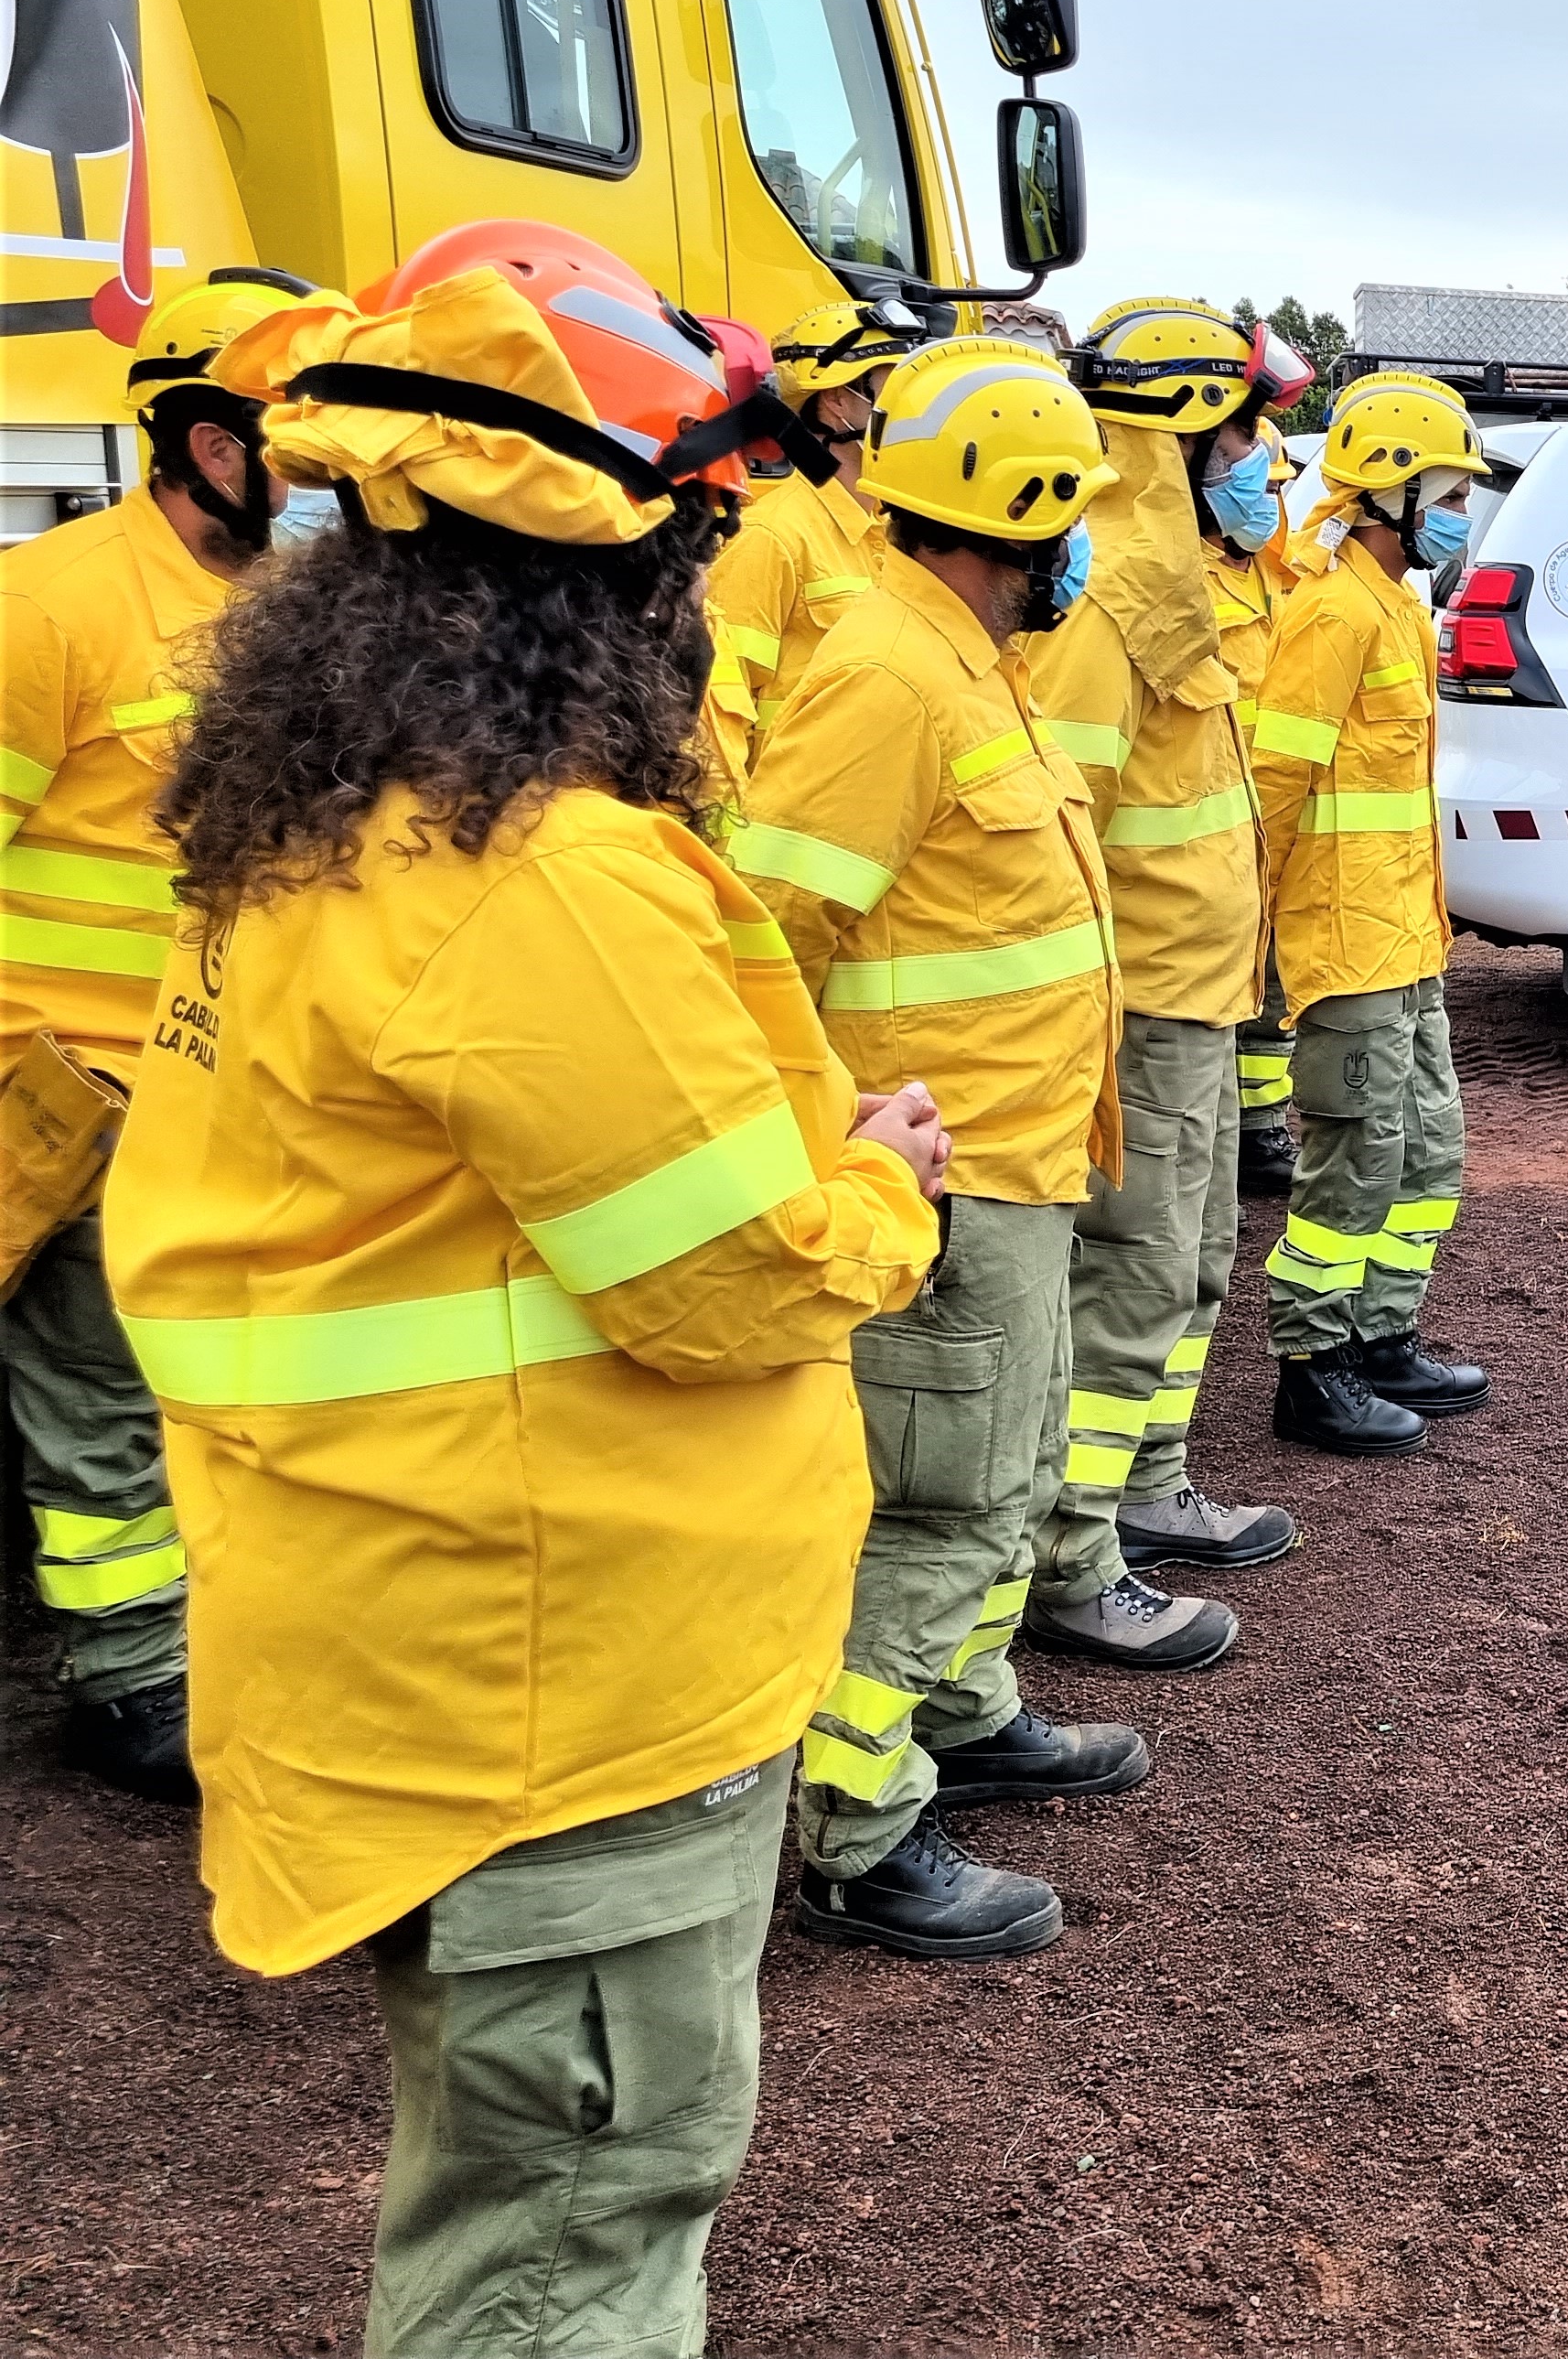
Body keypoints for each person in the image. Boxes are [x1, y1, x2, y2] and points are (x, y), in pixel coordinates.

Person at [110, 232, 942, 2349]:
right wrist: (884, 1195)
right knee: (572, 2225)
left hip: (433, 1628)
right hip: (556, 1691)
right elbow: (729, 1279)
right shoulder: (540, 869)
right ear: (607, 572)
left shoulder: (327, 818)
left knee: (512, 2194)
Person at [736, 332, 1165, 1959]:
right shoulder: (886, 670)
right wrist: (827, 1128)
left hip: (1017, 1164)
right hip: (943, 1176)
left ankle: (965, 1712)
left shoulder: (962, 653)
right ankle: (861, 1829)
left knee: (1000, 1478)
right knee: (940, 1505)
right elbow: (762, 931)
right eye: (1076, 514)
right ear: (1026, 507)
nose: (1087, 544)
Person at [0, 265, 340, 1803]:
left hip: (243, 1079)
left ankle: (211, 1630)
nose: (340, 481)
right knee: (100, 1388)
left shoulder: (296, 621)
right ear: (217, 444)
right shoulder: (53, 605)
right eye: (312, 441)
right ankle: (129, 1669)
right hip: (86, 1079)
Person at [1022, 301, 1303, 1664]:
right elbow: (1056, 819)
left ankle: (1145, 1488)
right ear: (1192, 433)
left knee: (1188, 1265)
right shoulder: (1120, 587)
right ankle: (1075, 1553)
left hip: (1194, 993)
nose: (1269, 465)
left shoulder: (1170, 570)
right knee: (1133, 1272)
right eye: (1252, 434)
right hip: (1138, 1005)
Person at [1251, 373, 1497, 1449]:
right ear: (1390, 493)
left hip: (1406, 934)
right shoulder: (1332, 609)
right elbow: (1274, 788)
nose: (1460, 512)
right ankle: (1312, 1367)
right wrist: (1250, 929)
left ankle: (1383, 1335)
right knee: (1354, 1151)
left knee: (1427, 1148)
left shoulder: (1396, 603)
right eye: (1447, 493)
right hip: (1346, 938)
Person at [1181, 316, 1316, 1201]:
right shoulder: (1177, 581)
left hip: (1272, 823)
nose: (1262, 493)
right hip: (1208, 832)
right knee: (1211, 1004)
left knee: (1270, 996)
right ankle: (1222, 1136)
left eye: (1270, 479)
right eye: (1244, 472)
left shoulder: (1276, 567)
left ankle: (1259, 1130)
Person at [703, 296, 927, 777]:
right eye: (897, 390)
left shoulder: (900, 531)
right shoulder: (773, 537)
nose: (917, 411)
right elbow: (718, 715)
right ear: (837, 400)